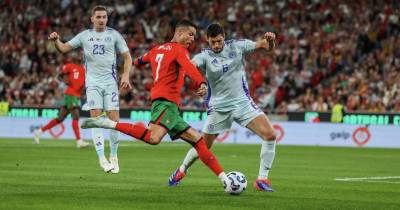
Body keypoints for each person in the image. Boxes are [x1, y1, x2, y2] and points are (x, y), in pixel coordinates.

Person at [80, 20, 234, 192]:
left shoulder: (156, 49)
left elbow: (138, 61)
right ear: (179, 33)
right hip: (166, 103)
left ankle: (225, 180)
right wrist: (202, 83)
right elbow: (189, 68)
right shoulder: (179, 50)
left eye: (194, 36)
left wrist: (126, 74)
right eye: (190, 34)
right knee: (179, 140)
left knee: (176, 140)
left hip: (162, 103)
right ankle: (226, 180)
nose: (192, 39)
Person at [168, 23, 277, 192]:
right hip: (218, 108)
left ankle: (262, 179)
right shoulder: (205, 56)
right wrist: (199, 83)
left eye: (219, 41)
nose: (217, 45)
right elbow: (190, 65)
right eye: (213, 42)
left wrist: (270, 41)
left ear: (224, 37)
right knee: (203, 145)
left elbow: (264, 46)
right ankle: (181, 170)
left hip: (242, 103)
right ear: (207, 40)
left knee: (270, 135)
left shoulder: (238, 46)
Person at [47, 5, 132, 173]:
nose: (101, 20)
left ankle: (114, 156)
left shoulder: (114, 35)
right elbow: (64, 48)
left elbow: (127, 57)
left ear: (107, 19)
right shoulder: (84, 36)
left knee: (114, 121)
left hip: (110, 83)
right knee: (96, 119)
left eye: (104, 17)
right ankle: (102, 158)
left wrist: (126, 75)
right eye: (98, 17)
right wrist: (56, 40)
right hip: (92, 84)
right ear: (92, 19)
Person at [34, 53, 89, 149]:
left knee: (60, 118)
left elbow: (82, 84)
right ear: (75, 58)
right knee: (75, 116)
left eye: (82, 57)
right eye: (79, 56)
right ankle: (79, 141)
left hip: (76, 95)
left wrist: (83, 91)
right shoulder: (69, 66)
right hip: (70, 94)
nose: (81, 58)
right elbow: (59, 76)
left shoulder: (84, 70)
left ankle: (39, 132)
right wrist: (65, 82)